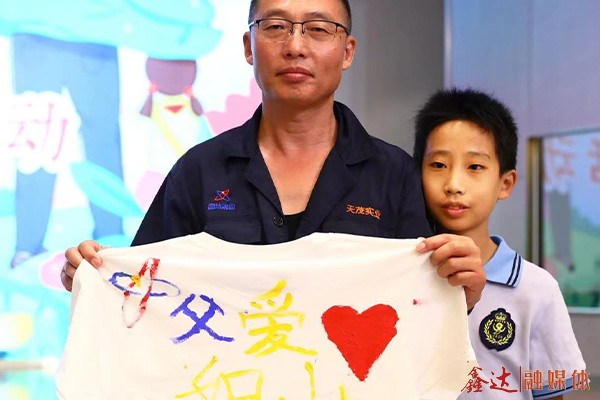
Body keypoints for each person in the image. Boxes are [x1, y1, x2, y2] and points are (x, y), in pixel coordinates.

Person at [61, 0, 485, 312]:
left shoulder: (393, 174)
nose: (295, 46)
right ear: (249, 47)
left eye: (318, 29)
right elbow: (143, 295)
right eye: (276, 27)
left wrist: (458, 294)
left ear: (347, 51)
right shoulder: (199, 171)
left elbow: (420, 306)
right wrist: (91, 276)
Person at [413, 88, 586, 399]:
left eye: (475, 167)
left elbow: (551, 393)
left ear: (505, 183)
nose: (453, 185)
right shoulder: (403, 277)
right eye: (438, 165)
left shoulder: (538, 289)